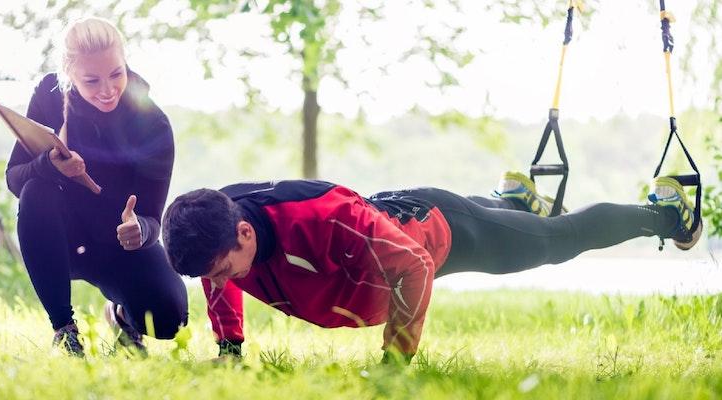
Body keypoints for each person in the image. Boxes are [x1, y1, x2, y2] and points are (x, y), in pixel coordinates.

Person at [161, 173, 701, 365]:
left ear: (245, 234)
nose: (221, 285)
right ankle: (513, 198)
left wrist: (395, 365)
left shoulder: (323, 219)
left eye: (221, 271)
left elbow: (414, 266)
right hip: (393, 217)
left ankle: (665, 213)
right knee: (498, 218)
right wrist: (230, 351)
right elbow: (218, 278)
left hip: (439, 233)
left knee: (554, 242)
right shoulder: (220, 227)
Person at [5, 17, 187, 357]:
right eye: (91, 80)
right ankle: (65, 329)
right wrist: (50, 166)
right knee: (35, 190)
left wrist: (140, 230)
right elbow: (15, 177)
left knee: (169, 318)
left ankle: (122, 317)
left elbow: (152, 217)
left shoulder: (152, 121)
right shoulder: (49, 97)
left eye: (116, 74)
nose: (107, 89)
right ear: (69, 75)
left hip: (120, 243)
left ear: (125, 62)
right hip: (63, 239)